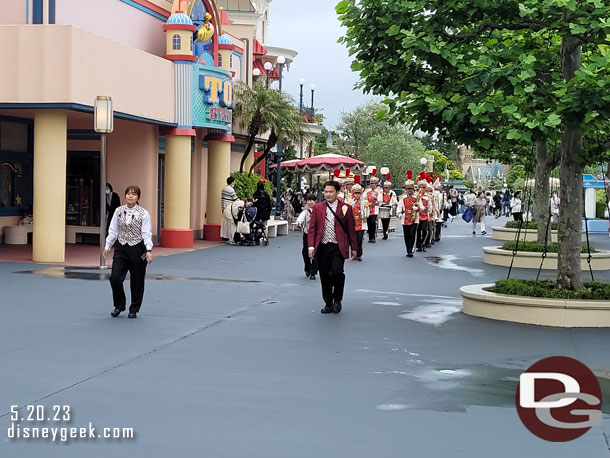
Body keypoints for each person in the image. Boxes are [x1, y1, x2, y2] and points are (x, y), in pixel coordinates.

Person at [308, 180, 357, 314]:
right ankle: (328, 303)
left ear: (337, 192)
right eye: (326, 192)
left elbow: (351, 229)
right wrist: (311, 246)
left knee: (337, 273)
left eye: (331, 192)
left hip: (337, 246)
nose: (328, 194)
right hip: (322, 247)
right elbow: (312, 228)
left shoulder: (345, 207)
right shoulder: (318, 207)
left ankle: (337, 300)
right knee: (324, 276)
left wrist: (354, 248)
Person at [104, 185, 153, 319]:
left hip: (137, 248)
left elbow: (146, 232)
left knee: (137, 280)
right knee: (115, 278)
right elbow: (113, 229)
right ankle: (119, 305)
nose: (130, 196)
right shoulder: (118, 211)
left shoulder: (144, 213)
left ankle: (134, 308)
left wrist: (148, 249)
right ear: (125, 195)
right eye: (128, 194)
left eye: (134, 194)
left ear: (138, 197)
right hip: (121, 247)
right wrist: (107, 246)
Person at [396, 172, 418, 257]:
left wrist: (418, 208)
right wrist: (399, 213)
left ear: (413, 189)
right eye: (408, 189)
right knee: (406, 234)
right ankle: (408, 249)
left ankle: (410, 250)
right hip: (405, 217)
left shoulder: (417, 197)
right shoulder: (402, 198)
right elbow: (399, 207)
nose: (409, 190)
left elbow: (422, 207)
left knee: (412, 234)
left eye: (411, 189)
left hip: (414, 217)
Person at [297, 194, 318, 279]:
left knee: (316, 253)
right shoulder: (305, 212)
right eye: (308, 200)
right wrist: (298, 222)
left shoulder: (319, 211)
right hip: (307, 233)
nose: (309, 202)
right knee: (305, 252)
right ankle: (307, 267)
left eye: (311, 200)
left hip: (316, 235)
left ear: (315, 201)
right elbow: (301, 218)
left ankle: (313, 271)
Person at [348, 184, 365, 261]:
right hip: (352, 223)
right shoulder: (350, 202)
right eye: (356, 193)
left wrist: (364, 214)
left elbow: (366, 212)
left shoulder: (364, 202)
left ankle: (359, 254)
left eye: (359, 193)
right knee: (352, 239)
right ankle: (353, 253)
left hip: (361, 223)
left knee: (359, 239)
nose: (357, 195)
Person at [364, 176, 381, 243]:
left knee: (373, 222)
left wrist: (376, 199)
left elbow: (380, 200)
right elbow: (364, 198)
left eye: (373, 183)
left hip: (374, 208)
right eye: (371, 183)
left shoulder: (379, 192)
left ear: (376, 184)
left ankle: (373, 236)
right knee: (368, 222)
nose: (371, 184)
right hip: (368, 208)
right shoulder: (367, 191)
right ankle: (370, 236)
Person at [221, 177, 239, 242]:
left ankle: (225, 236)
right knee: (231, 223)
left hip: (224, 207)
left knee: (225, 223)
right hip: (229, 208)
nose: (234, 183)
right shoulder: (231, 190)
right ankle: (231, 237)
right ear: (232, 182)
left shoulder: (224, 188)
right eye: (234, 181)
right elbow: (236, 199)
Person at [415, 174, 429, 252]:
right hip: (417, 215)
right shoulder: (416, 196)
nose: (423, 189)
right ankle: (419, 245)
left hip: (425, 216)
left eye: (424, 187)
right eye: (422, 187)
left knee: (424, 230)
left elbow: (430, 205)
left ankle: (424, 243)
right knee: (418, 230)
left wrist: (429, 211)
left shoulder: (428, 196)